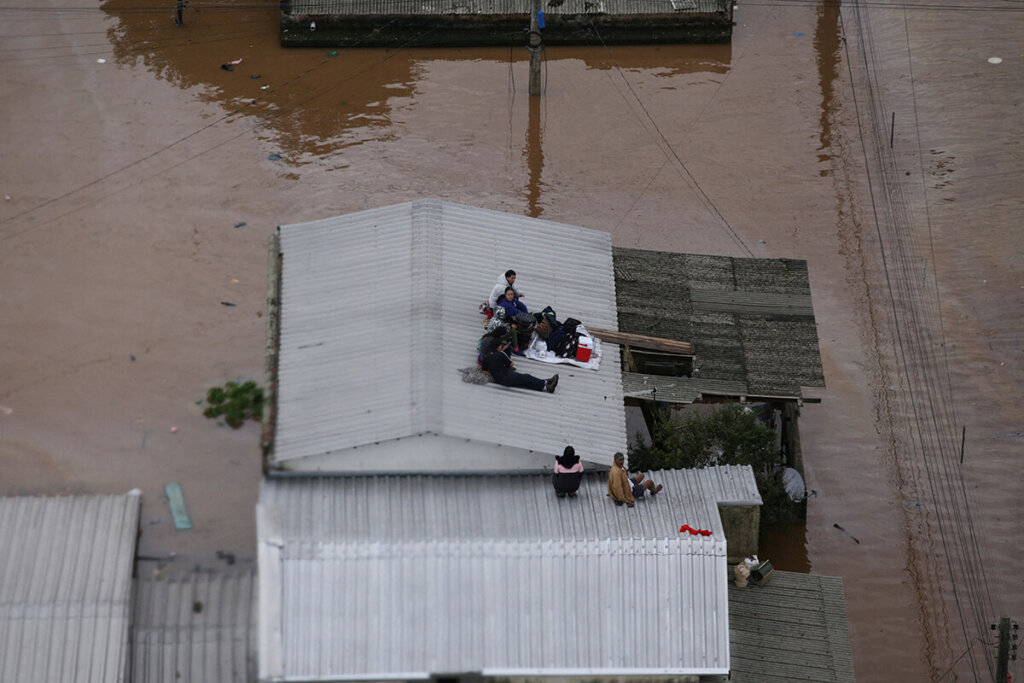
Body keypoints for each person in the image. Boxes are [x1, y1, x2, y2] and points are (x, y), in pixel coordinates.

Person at [481, 341, 558, 392]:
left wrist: (494, 372)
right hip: (507, 376)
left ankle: (545, 387)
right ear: (498, 347)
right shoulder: (500, 354)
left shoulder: (486, 358)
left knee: (524, 382)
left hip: (500, 380)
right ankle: (546, 382)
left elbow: (484, 371)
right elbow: (511, 364)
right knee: (527, 377)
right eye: (501, 346)